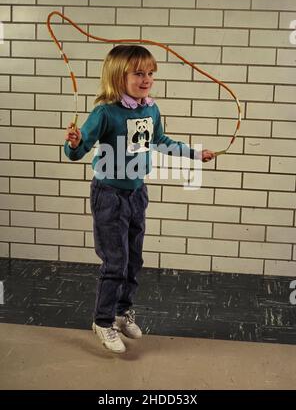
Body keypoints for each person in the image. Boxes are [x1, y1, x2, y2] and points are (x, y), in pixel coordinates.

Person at [64, 45, 215, 353]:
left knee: (133, 260)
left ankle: (122, 313)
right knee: (115, 262)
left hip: (137, 193)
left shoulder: (151, 109)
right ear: (119, 76)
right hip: (109, 195)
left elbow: (160, 141)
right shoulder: (105, 111)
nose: (147, 79)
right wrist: (75, 143)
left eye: (150, 73)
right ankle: (102, 321)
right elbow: (77, 151)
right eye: (139, 73)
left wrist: (195, 154)